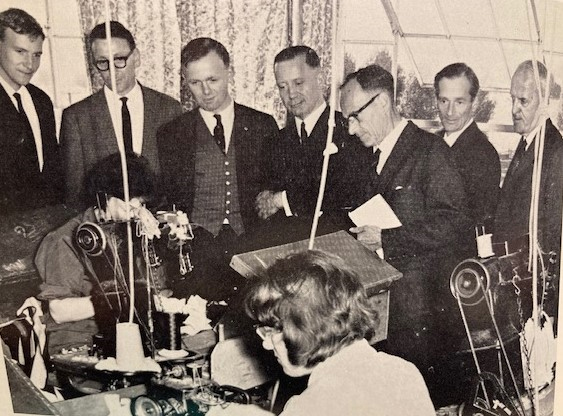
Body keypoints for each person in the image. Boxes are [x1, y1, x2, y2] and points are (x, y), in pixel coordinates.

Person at [339, 64, 472, 406]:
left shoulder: (430, 152)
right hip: (389, 311)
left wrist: (386, 239)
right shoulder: (375, 157)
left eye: (355, 116)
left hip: (423, 315)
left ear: (382, 102)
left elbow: (454, 221)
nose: (351, 129)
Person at [208, 250, 435, 416]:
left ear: (304, 328)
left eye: (270, 331)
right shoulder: (403, 371)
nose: (267, 345)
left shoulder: (311, 405)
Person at [157, 38, 279, 301]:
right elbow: (167, 198)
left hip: (251, 243)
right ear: (185, 81)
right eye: (195, 83)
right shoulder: (171, 133)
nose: (206, 91)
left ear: (229, 72)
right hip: (195, 249)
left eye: (213, 79)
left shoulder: (262, 125)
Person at [36, 152, 161, 355]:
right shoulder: (65, 239)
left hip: (123, 335)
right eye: (130, 206)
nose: (136, 213)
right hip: (79, 343)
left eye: (141, 206)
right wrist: (124, 301)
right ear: (104, 198)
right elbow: (59, 311)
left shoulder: (124, 229)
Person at [60, 21, 181, 210]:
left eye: (119, 59)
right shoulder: (76, 117)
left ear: (137, 58)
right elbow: (74, 195)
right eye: (103, 63)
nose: (112, 70)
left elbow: (178, 184)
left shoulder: (169, 109)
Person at [256, 46, 371, 225]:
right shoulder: (274, 141)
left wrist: (281, 200)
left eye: (299, 83)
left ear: (321, 78)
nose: (291, 94)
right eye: (282, 86)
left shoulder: (349, 131)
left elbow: (342, 194)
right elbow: (263, 202)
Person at [494, 60, 563, 302]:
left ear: (544, 103)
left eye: (523, 101)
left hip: (532, 292)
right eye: (512, 99)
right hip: (514, 282)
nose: (514, 109)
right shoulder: (526, 144)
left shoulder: (555, 151)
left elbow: (553, 235)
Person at [0, 8, 63, 214]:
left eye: (37, 55)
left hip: (42, 229)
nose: (30, 64)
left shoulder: (41, 101)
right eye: (20, 52)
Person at [434, 63, 500, 234]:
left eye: (459, 102)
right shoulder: (432, 143)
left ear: (474, 103)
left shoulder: (484, 155)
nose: (449, 112)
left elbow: (466, 225)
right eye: (444, 101)